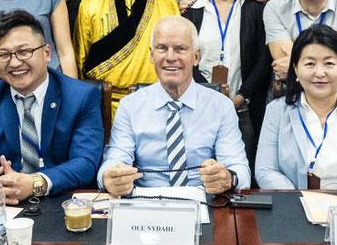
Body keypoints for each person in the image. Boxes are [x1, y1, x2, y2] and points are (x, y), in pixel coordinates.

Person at [0, 11, 104, 201]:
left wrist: (35, 184)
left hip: (61, 202)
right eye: (3, 55)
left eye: (24, 52)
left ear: (46, 53)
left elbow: (85, 163)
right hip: (5, 204)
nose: (15, 62)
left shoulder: (80, 96)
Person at [98, 16, 249, 195]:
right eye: (162, 48)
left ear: (196, 57)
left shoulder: (221, 106)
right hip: (145, 203)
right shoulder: (130, 106)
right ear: (152, 55)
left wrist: (229, 177)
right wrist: (109, 177)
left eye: (180, 49)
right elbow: (114, 159)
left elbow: (240, 169)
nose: (170, 57)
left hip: (203, 200)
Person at [255, 24, 337, 190]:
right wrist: (300, 200)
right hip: (295, 207)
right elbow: (266, 171)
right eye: (310, 64)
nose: (319, 73)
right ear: (296, 69)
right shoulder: (276, 110)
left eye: (329, 63)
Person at [184, 0, 271, 164]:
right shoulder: (191, 12)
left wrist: (241, 97)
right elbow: (186, 59)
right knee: (200, 168)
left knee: (241, 168)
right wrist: (207, 94)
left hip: (242, 108)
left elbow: (263, 60)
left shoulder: (256, 11)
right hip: (199, 107)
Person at [75, 0, 181, 111]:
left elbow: (177, 58)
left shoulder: (167, 1)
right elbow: (80, 58)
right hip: (103, 105)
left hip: (154, 104)